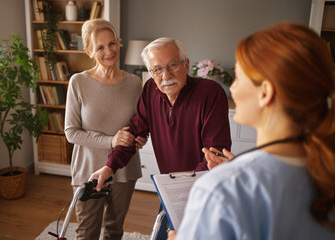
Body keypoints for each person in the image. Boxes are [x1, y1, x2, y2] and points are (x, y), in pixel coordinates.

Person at [171, 23, 335, 239]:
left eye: (238, 77)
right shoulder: (325, 170)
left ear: (265, 92)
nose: (232, 88)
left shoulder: (222, 189)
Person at [89, 37, 232, 239]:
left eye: (172, 65)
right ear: (151, 73)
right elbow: (134, 132)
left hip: (205, 193)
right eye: (157, 69)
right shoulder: (150, 90)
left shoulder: (210, 93)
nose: (165, 75)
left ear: (186, 65)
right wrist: (109, 167)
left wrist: (183, 193)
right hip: (172, 193)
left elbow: (215, 152)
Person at [64, 19, 147, 240]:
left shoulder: (134, 83)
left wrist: (141, 138)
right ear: (89, 51)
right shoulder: (78, 82)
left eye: (112, 44)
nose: (109, 51)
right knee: (87, 232)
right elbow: (71, 132)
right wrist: (110, 141)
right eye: (100, 47)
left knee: (114, 229)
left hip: (125, 169)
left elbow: (140, 124)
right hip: (89, 169)